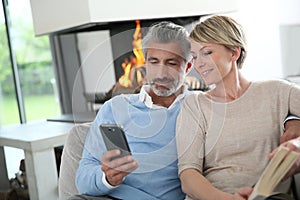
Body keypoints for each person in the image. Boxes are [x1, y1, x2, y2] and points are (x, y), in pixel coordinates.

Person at [176, 15, 300, 200]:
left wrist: (297, 135)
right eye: (194, 56)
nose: (199, 63)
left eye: (207, 52)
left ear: (234, 53)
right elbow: (188, 177)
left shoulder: (278, 92)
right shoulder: (195, 105)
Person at [69, 21, 193, 200]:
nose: (161, 74)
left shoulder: (198, 107)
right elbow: (83, 177)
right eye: (154, 62)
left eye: (171, 63)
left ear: (187, 67)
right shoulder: (114, 107)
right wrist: (107, 178)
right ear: (145, 63)